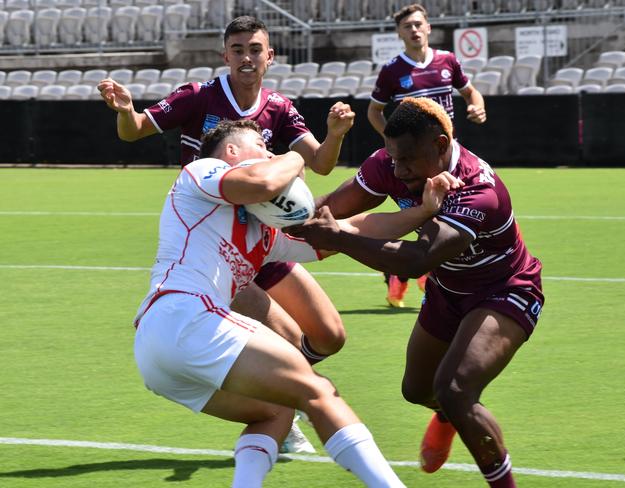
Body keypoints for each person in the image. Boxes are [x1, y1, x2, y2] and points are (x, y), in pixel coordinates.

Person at [134, 119, 456, 487]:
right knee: (318, 392)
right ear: (232, 152)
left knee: (277, 408)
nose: (269, 152)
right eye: (260, 145)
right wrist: (294, 156)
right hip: (185, 315)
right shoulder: (204, 170)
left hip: (160, 350)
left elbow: (350, 232)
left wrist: (421, 212)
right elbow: (263, 182)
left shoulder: (264, 232)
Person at [97, 15, 354, 452]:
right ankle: (279, 408)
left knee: (329, 335)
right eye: (238, 50)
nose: (247, 58)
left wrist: (334, 135)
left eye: (255, 49)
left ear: (269, 56)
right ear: (225, 56)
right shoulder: (199, 97)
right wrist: (125, 111)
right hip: (218, 246)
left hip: (265, 239)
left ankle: (277, 390)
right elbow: (135, 130)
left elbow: (322, 163)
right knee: (289, 341)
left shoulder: (280, 108)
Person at [295, 97, 544, 488]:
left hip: (504, 290)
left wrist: (339, 240)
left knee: (455, 389)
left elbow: (416, 260)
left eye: (408, 159)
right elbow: (331, 209)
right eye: (393, 158)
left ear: (441, 145)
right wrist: (269, 222)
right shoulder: (391, 164)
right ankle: (449, 413)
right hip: (449, 290)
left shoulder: (477, 188)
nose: (399, 170)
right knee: (417, 390)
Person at [367, 3, 487, 308]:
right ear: (399, 33)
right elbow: (374, 112)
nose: (414, 30)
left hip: (448, 157)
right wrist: (395, 147)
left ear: (429, 27)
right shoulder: (393, 70)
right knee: (424, 218)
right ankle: (405, 274)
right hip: (416, 165)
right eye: (407, 26)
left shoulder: (447, 61)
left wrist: (477, 106)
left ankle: (423, 278)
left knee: (448, 218)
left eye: (419, 24)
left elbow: (471, 92)